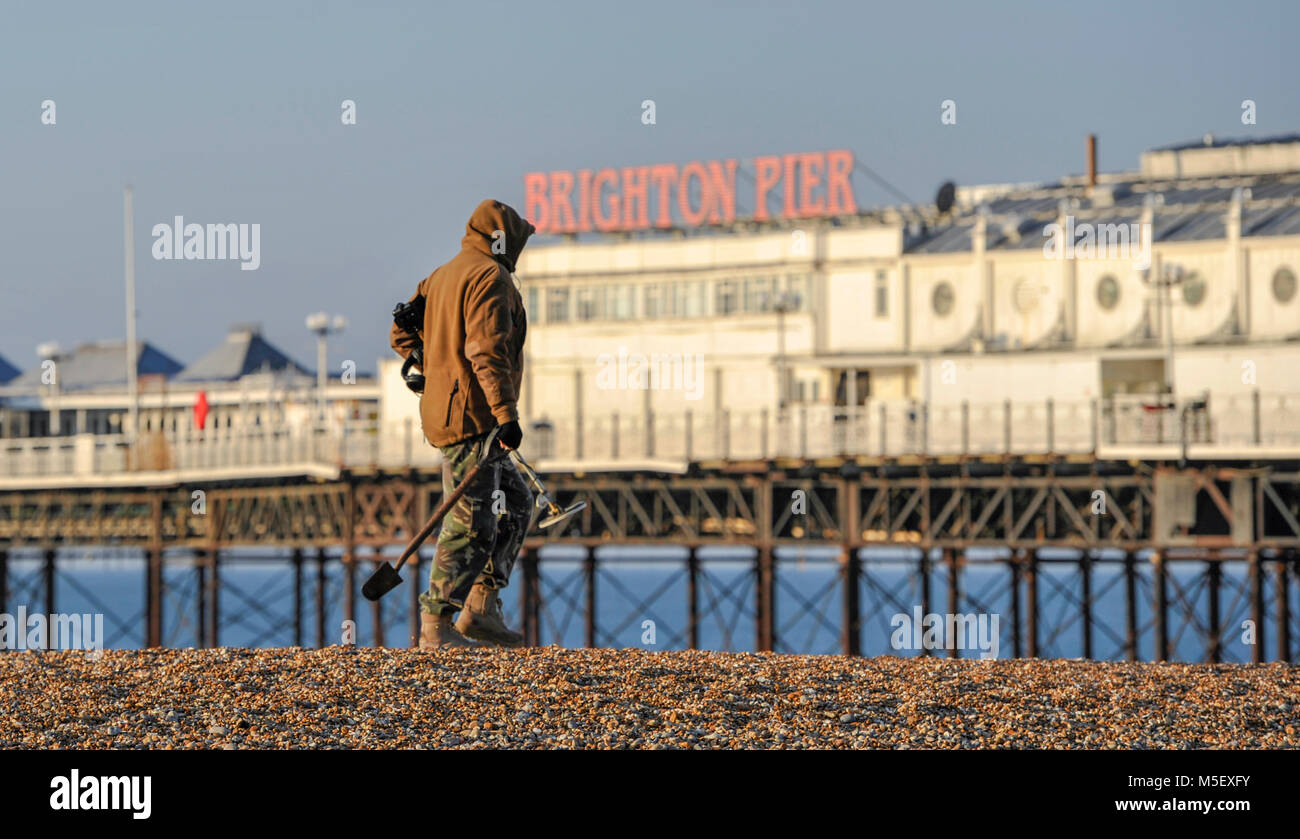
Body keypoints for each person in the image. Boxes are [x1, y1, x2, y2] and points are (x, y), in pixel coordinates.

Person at [390, 199, 536, 649]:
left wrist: (422, 362)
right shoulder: (489, 277)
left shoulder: (440, 276)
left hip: (456, 411)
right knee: (472, 521)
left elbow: (400, 333)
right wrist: (507, 415)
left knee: (517, 500)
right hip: (472, 417)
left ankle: (480, 609)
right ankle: (436, 625)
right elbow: (485, 353)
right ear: (503, 238)